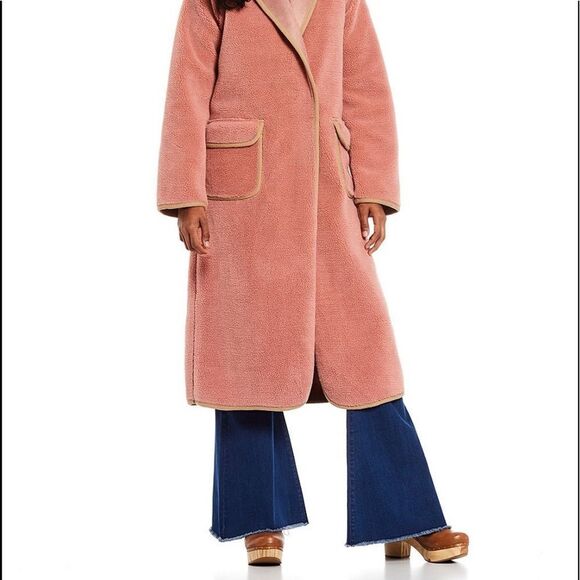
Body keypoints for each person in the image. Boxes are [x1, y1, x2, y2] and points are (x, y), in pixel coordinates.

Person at [157, 0, 469, 566]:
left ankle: (404, 514)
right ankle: (259, 518)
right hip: (241, 202)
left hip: (329, 193)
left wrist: (373, 185)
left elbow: (365, 87)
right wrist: (186, 194)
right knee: (249, 363)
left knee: (368, 361)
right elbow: (187, 87)